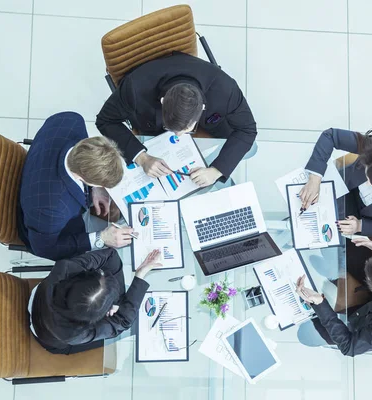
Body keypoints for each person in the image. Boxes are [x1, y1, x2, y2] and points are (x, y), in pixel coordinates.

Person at [96, 52, 257, 188]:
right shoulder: (134, 87)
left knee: (248, 150)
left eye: (186, 130)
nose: (178, 136)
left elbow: (247, 129)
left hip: (210, 128)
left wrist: (216, 171)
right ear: (162, 101)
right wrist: (141, 158)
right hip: (151, 128)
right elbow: (105, 120)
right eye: (173, 129)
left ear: (202, 108)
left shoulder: (225, 89)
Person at [17, 111, 135, 261]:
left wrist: (96, 187)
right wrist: (102, 238)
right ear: (83, 178)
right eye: (101, 184)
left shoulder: (72, 121)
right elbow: (45, 249)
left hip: (41, 170)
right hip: (54, 231)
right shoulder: (51, 210)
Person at [29, 248, 161, 354]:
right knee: (134, 325)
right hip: (46, 335)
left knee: (126, 309)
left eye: (100, 275)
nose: (103, 274)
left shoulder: (65, 269)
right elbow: (124, 322)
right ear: (97, 318)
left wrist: (115, 302)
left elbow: (110, 256)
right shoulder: (74, 334)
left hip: (41, 295)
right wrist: (140, 275)